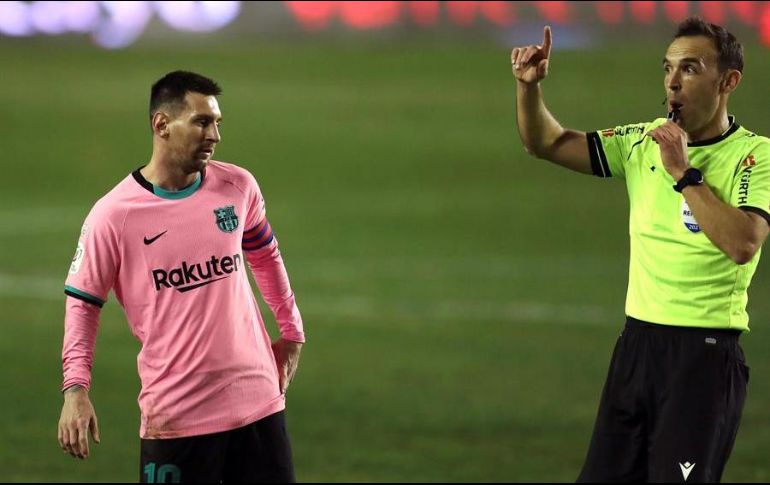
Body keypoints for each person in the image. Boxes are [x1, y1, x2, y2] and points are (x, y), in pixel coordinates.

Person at [511, 17, 769, 483]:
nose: (673, 81)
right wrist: (529, 88)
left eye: (690, 68)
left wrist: (684, 173)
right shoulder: (642, 143)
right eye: (668, 68)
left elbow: (743, 242)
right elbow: (547, 143)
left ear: (728, 81)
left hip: (703, 358)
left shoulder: (755, 156)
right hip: (636, 348)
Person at [57, 70, 305, 483]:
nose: (215, 135)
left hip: (259, 405)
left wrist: (292, 331)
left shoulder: (238, 186)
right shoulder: (113, 216)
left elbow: (265, 255)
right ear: (162, 125)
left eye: (217, 123)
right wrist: (75, 390)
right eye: (202, 122)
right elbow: (83, 305)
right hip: (177, 417)